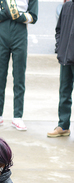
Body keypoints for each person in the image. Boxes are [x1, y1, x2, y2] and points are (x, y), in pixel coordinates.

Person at [0, 0, 38, 131]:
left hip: (20, 32)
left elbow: (33, 17)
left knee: (19, 76)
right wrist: (4, 14)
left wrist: (17, 15)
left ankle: (17, 116)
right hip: (2, 32)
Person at [48, 0, 74, 138]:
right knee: (64, 92)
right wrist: (60, 48)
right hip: (65, 58)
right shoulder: (67, 6)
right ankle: (63, 125)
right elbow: (59, 29)